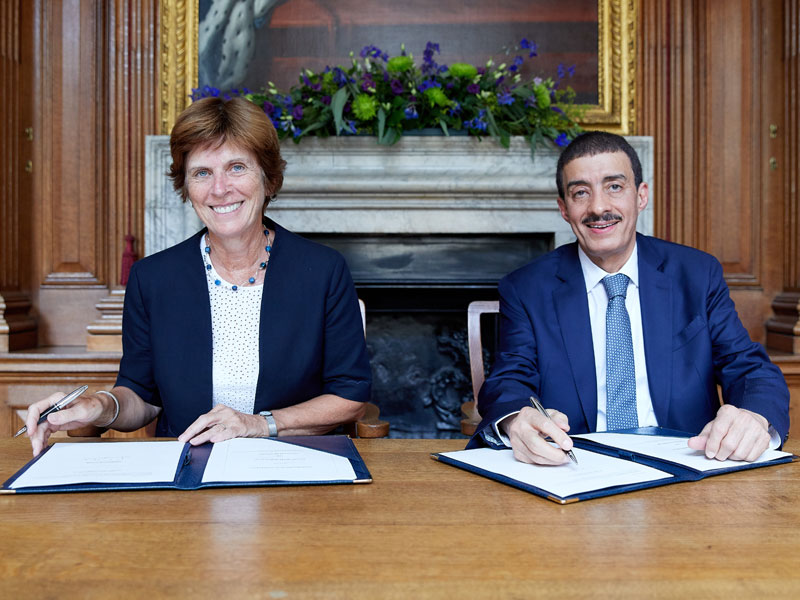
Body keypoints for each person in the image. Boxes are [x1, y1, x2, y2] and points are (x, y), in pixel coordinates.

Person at [24, 97, 372, 456]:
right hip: (190, 472)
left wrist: (258, 424)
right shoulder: (153, 280)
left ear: (268, 180)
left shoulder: (323, 271)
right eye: (202, 173)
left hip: (292, 467)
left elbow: (350, 395)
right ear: (186, 186)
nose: (219, 189)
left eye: (237, 168)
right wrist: (100, 406)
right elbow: (141, 397)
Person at [469, 131, 790, 464]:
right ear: (564, 209)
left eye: (614, 187)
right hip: (574, 467)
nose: (598, 207)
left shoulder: (696, 274)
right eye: (581, 192)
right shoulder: (526, 287)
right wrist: (514, 421)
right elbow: (508, 380)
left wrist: (753, 418)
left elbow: (750, 369)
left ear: (641, 196)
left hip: (686, 465)